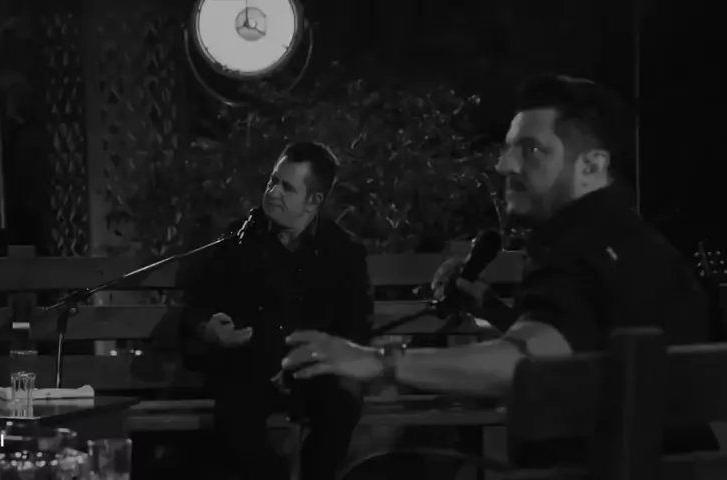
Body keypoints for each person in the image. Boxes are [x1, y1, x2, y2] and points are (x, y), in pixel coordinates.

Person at [281, 74, 716, 463]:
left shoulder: (577, 253)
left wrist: (379, 362)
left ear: (591, 166)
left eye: (531, 150)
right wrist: (485, 304)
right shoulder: (640, 248)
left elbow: (525, 365)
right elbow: (569, 344)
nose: (504, 165)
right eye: (508, 149)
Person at [178, 141, 373, 480]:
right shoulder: (239, 240)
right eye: (273, 181)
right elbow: (198, 306)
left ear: (313, 200)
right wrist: (210, 328)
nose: (272, 193)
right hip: (251, 369)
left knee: (343, 402)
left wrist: (318, 357)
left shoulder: (344, 251)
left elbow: (357, 327)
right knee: (235, 412)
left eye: (287, 187)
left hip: (314, 370)